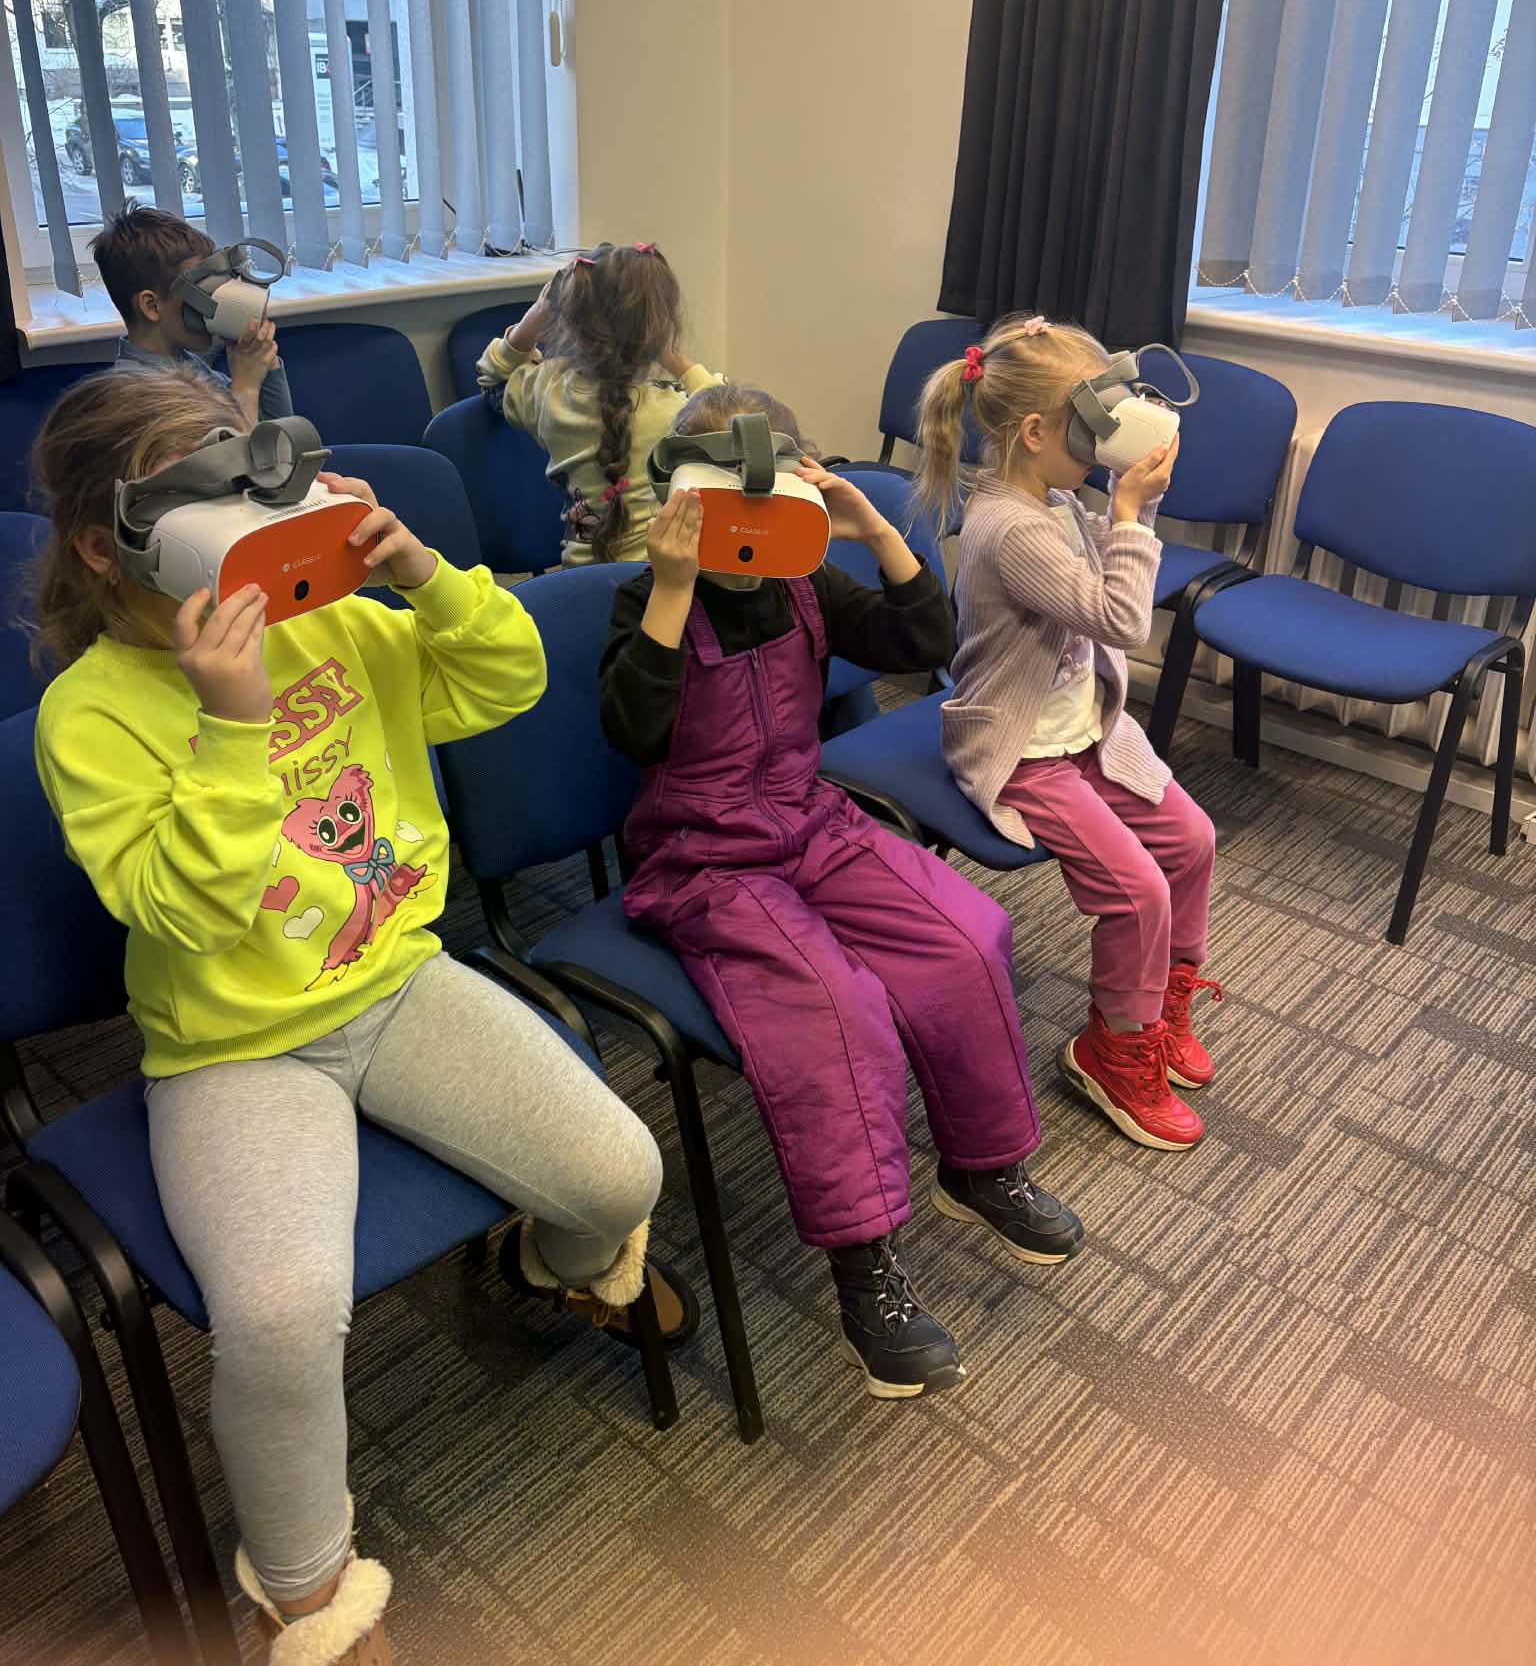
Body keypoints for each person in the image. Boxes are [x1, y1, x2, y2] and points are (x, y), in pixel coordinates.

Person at [31, 369, 675, 1666]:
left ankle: (549, 1270)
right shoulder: (86, 715)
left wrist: (423, 575)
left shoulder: (332, 623)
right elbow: (182, 913)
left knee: (621, 1175)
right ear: (108, 546)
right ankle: (305, 1588)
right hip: (234, 1048)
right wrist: (231, 727)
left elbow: (503, 682)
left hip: (394, 979)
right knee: (279, 1320)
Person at [601, 380, 1084, 1403]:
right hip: (705, 857)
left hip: (807, 819)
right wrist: (674, 587)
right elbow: (633, 731)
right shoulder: (648, 597)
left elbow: (923, 641)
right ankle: (866, 1267)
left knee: (966, 933)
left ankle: (979, 1164)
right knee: (835, 1006)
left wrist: (874, 530)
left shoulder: (806, 579)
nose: (750, 536)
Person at [914, 314, 1221, 1154]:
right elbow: (1121, 618)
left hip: (1084, 730)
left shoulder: (1051, 500)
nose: (1100, 450)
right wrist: (1131, 512)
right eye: (1091, 434)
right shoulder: (1009, 529)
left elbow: (1105, 588)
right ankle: (1112, 1050)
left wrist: (1121, 500)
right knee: (1139, 892)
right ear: (1035, 433)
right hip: (1022, 750)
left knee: (1192, 840)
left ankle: (1162, 1007)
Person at [477, 241, 721, 566]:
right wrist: (673, 356)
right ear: (659, 329)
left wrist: (533, 319)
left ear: (568, 321)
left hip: (577, 580)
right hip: (659, 580)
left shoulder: (547, 389)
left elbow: (494, 381)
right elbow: (729, 418)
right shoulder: (675, 410)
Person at [94, 201, 291, 426]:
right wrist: (245, 389)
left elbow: (279, 436)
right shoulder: (136, 395)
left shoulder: (187, 364)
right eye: (202, 288)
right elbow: (229, 449)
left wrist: (266, 362)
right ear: (152, 306)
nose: (215, 298)